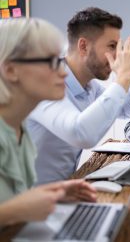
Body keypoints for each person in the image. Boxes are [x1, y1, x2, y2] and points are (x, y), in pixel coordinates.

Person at [27, 7, 130, 184]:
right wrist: (123, 78)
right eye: (112, 46)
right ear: (83, 46)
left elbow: (128, 110)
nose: (118, 54)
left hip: (62, 190)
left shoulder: (90, 86)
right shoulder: (44, 83)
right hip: (26, 201)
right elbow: (82, 134)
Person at [0, 18, 96, 226]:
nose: (63, 72)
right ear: (10, 70)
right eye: (51, 63)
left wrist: (52, 193)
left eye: (60, 61)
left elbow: (12, 196)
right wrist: (16, 210)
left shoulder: (19, 130)